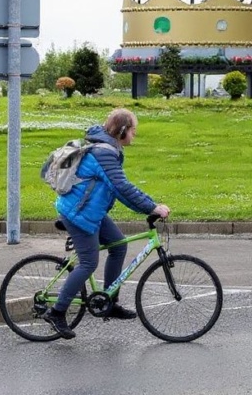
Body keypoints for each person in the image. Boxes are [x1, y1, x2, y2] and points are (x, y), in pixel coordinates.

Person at [41, 107, 170, 340]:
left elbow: (118, 189)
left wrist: (149, 205)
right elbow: (122, 187)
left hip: (91, 211)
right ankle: (57, 312)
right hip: (79, 214)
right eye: (133, 130)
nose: (134, 135)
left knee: (118, 245)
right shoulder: (104, 153)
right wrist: (152, 207)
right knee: (89, 262)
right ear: (122, 131)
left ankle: (109, 301)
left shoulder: (109, 149)